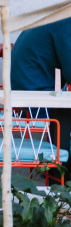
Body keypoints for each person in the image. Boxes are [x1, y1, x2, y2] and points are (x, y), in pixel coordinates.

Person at [10, 18, 71, 173]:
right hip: (38, 102)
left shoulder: (56, 17)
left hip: (28, 95)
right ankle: (61, 179)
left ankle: (60, 179)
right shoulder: (65, 24)